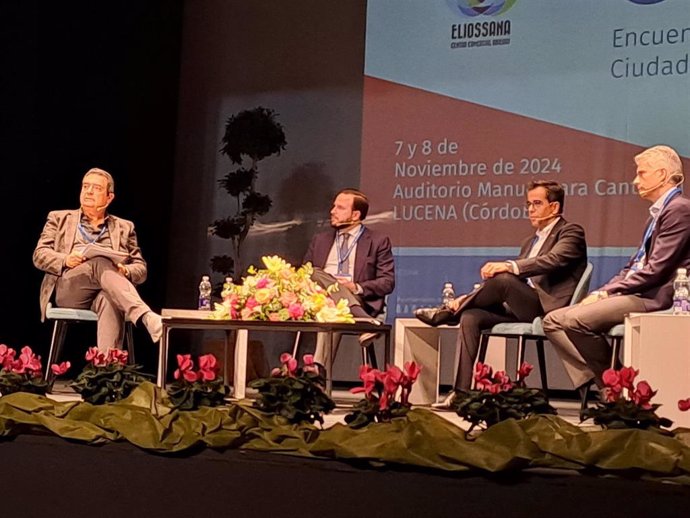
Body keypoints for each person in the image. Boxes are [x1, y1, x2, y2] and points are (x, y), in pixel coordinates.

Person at [415, 180, 587, 408]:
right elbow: (520, 281)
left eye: (537, 203)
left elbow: (552, 261)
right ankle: (461, 393)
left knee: (503, 279)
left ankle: (447, 313)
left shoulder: (571, 232)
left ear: (554, 207)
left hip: (546, 310)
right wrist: (475, 294)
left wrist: (508, 265)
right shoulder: (530, 242)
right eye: (528, 204)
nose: (530, 209)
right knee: (471, 316)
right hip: (519, 307)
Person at [543, 145, 690, 393]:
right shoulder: (656, 214)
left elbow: (656, 269)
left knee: (575, 319)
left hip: (654, 296)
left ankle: (616, 390)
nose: (635, 180)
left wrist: (608, 293)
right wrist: (605, 290)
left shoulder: (679, 209)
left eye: (642, 173)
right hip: (636, 290)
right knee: (553, 320)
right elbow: (633, 265)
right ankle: (612, 383)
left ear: (663, 175)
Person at [33, 168, 162, 352]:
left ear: (109, 197)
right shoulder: (59, 218)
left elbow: (140, 269)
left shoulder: (124, 227)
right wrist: (65, 259)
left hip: (109, 288)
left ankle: (108, 371)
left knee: (110, 299)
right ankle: (146, 317)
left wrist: (125, 271)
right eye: (85, 186)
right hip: (70, 288)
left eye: (96, 188)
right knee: (100, 262)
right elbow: (39, 254)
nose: (89, 192)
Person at [303, 188, 395, 365]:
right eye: (333, 206)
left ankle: (318, 376)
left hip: (357, 298)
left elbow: (387, 282)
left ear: (355, 215)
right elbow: (305, 274)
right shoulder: (320, 240)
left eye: (340, 208)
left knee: (334, 310)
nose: (332, 211)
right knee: (315, 272)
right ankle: (365, 322)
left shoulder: (377, 241)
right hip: (317, 299)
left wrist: (355, 287)